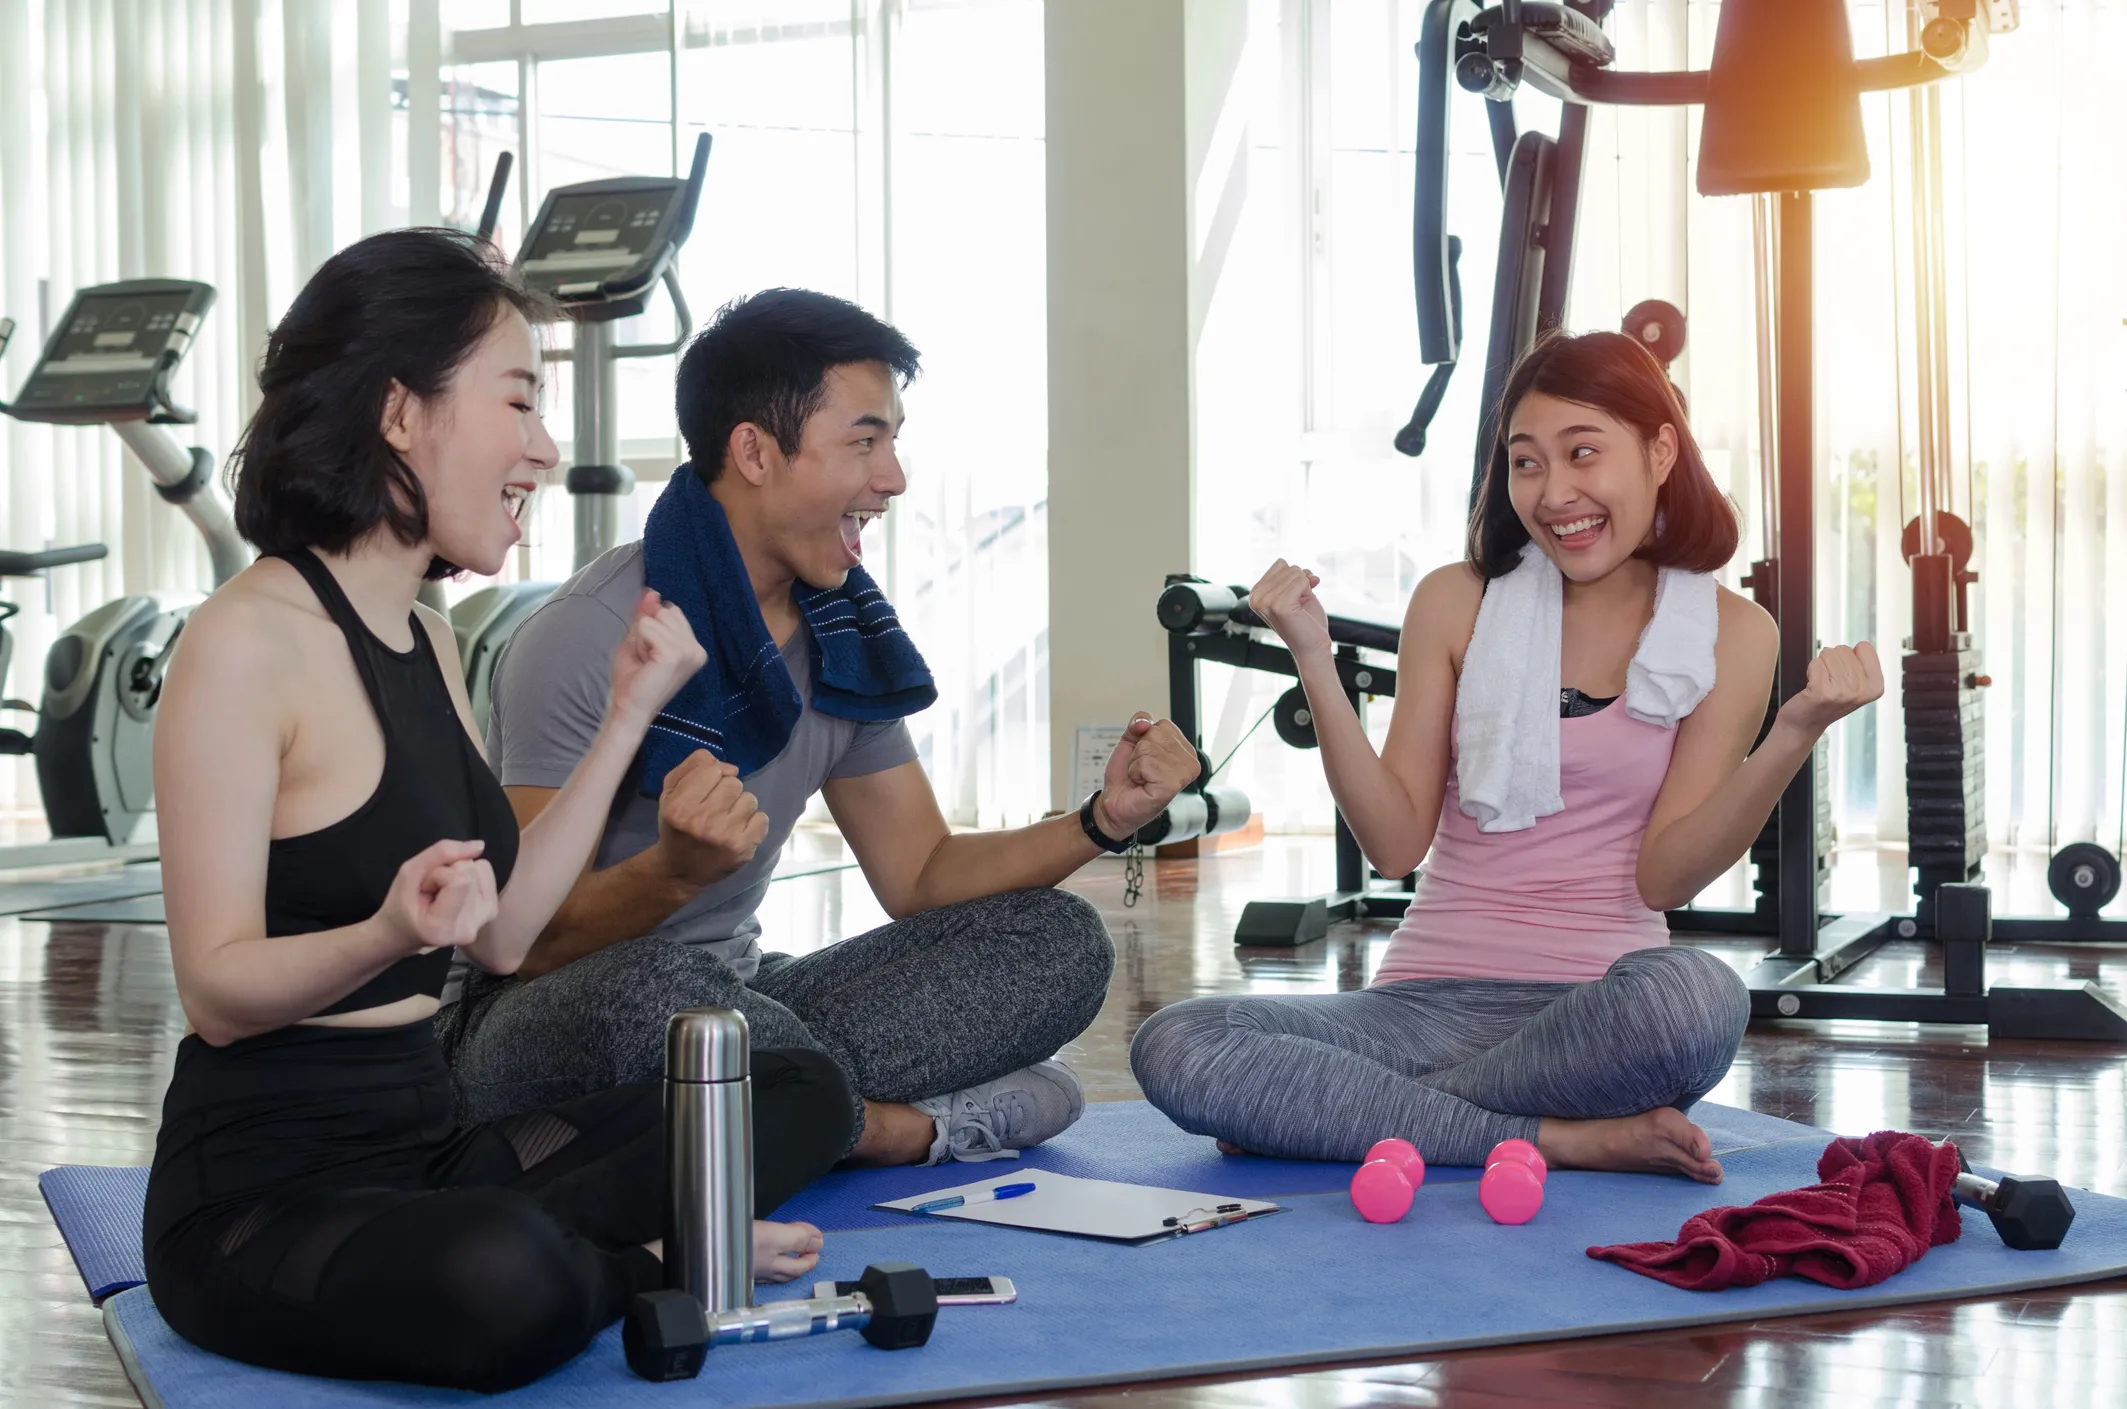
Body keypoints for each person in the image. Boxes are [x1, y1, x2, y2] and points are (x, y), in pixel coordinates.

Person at [144, 231, 855, 1394]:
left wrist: (628, 715)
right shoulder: (244, 643)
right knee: (502, 1270)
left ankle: (602, 1250)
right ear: (399, 412)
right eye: (519, 400)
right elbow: (216, 991)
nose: (544, 447)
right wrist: (386, 932)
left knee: (795, 1088)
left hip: (430, 1148)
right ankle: (644, 1262)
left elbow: (509, 933)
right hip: (260, 1196)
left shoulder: (428, 638)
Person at [438, 287, 1201, 1166]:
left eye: (893, 442)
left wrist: (1101, 820)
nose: (893, 478)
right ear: (755, 452)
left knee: (1056, 939)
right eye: (864, 442)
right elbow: (525, 947)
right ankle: (890, 1129)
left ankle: (760, 1107)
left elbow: (920, 872)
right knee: (657, 995)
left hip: (741, 1000)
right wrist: (674, 874)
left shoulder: (842, 639)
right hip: (540, 1017)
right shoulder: (586, 633)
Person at [1130, 329, 1884, 1182]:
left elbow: (1665, 880)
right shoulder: (1454, 600)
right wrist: (1312, 655)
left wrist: (1793, 732)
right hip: (1419, 1007)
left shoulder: (1732, 633)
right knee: (1180, 1040)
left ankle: (1352, 1116)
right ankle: (1550, 1137)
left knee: (1698, 996)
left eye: (1582, 452)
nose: (1554, 493)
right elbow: (1393, 845)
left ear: (1659, 450)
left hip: (1597, 1018)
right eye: (1526, 462)